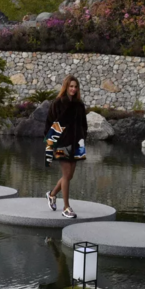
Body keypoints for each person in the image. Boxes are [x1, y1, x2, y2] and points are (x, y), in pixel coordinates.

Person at [44, 75, 88, 219]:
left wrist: (82, 138)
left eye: (75, 87)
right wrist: (51, 144)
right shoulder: (57, 103)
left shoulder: (79, 105)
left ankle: (51, 195)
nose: (73, 89)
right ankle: (66, 207)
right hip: (62, 143)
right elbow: (49, 124)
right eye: (71, 86)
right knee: (67, 174)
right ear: (66, 87)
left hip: (77, 143)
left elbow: (83, 124)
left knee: (69, 176)